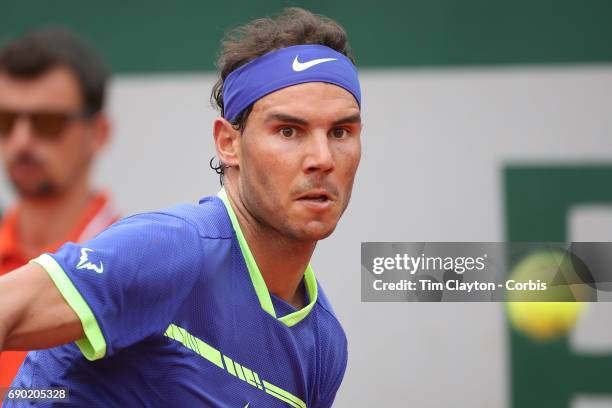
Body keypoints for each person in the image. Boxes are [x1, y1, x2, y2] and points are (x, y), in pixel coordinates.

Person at [0, 8, 360, 407]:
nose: (322, 158)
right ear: (228, 143)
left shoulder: (325, 345)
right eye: (288, 131)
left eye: (341, 131)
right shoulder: (169, 250)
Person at [0, 29, 118, 388]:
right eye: (6, 121)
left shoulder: (131, 267)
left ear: (98, 133)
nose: (22, 140)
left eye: (47, 123)